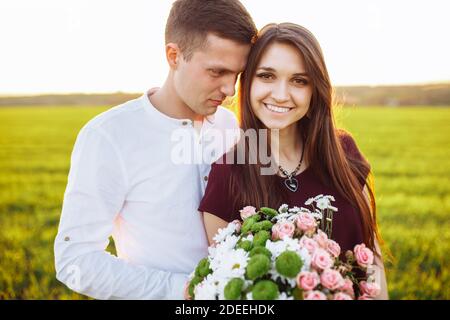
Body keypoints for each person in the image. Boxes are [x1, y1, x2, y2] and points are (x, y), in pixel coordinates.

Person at [54, 0, 257, 299]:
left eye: (237, 74)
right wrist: (185, 291)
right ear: (174, 56)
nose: (230, 89)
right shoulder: (109, 137)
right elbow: (75, 260)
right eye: (216, 72)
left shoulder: (230, 126)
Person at [199, 23, 389, 299]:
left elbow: (372, 258)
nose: (280, 94)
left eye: (299, 80)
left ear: (315, 90)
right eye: (267, 76)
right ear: (248, 81)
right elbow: (226, 285)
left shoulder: (343, 151)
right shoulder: (226, 174)